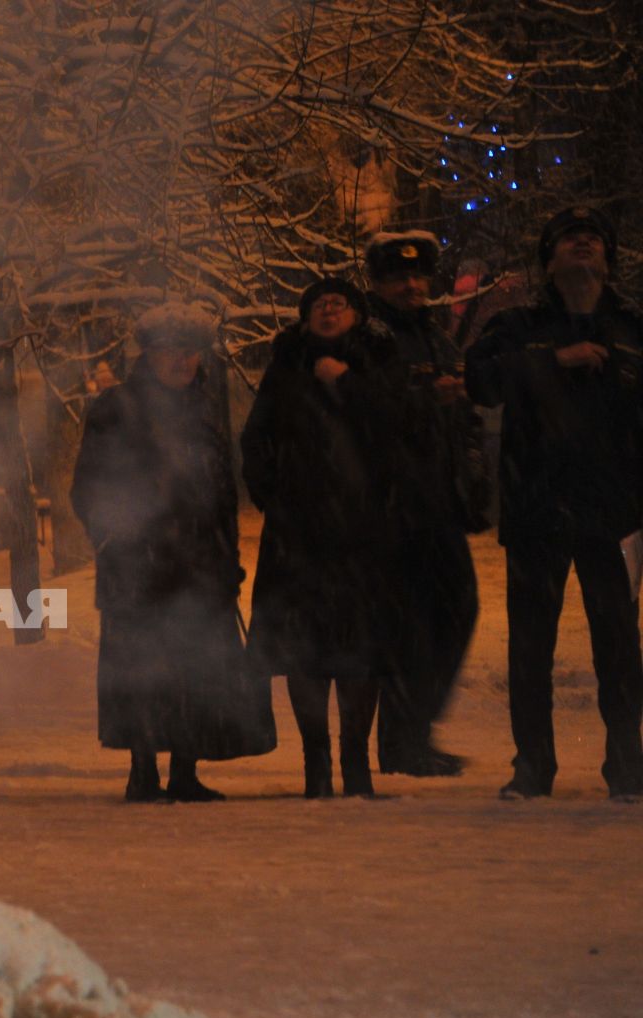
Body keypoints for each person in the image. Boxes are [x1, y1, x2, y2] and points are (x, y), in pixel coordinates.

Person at [465, 205, 643, 801]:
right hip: (537, 505)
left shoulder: (632, 325)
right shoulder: (520, 324)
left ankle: (627, 768)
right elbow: (479, 380)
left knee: (619, 645)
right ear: (548, 259)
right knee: (530, 648)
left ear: (609, 259)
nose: (583, 244)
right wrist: (552, 362)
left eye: (593, 238)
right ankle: (533, 768)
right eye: (569, 238)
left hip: (616, 511)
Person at [72, 303, 275, 802]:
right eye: (172, 351)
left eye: (192, 351)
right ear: (151, 354)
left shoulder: (205, 407)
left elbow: (221, 489)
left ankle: (185, 770)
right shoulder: (117, 407)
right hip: (138, 567)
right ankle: (143, 772)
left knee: (197, 668)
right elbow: (91, 487)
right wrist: (121, 538)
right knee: (142, 670)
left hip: (201, 566)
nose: (183, 361)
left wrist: (226, 555)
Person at [242, 278, 407, 799]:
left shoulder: (379, 363)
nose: (329, 309)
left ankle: (355, 762)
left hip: (365, 534)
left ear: (357, 315)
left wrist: (347, 383)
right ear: (305, 317)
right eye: (319, 304)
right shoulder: (287, 367)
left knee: (361, 648)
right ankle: (316, 762)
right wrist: (276, 494)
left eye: (339, 303)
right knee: (303, 649)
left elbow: (400, 426)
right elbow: (255, 436)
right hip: (300, 533)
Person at [363, 231, 490, 777]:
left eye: (418, 276)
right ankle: (401, 741)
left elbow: (462, 417)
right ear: (378, 281)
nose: (412, 285)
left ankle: (414, 731)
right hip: (389, 502)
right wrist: (423, 398)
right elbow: (361, 407)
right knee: (408, 624)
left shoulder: (437, 338)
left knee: (457, 608)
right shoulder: (367, 335)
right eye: (398, 276)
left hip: (437, 498)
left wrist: (471, 469)